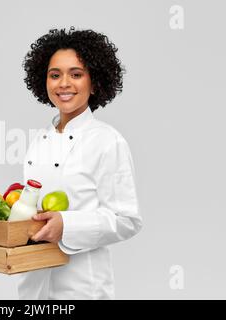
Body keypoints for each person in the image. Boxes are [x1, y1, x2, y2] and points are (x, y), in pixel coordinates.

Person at [17, 26, 143, 300]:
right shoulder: (38, 140)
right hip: (33, 285)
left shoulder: (108, 142)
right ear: (44, 81)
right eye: (55, 75)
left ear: (94, 82)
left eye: (76, 74)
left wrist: (67, 225)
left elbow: (127, 220)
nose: (64, 84)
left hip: (83, 288)